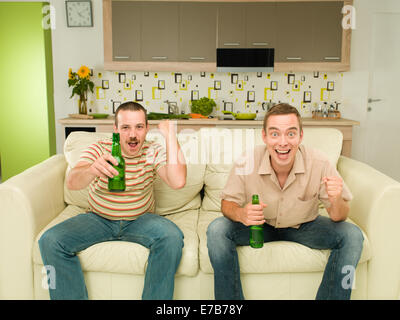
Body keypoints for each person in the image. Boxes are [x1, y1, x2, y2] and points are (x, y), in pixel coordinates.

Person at [207, 103, 364, 300]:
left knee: (352, 235)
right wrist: (241, 213)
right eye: (275, 134)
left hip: (304, 226)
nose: (283, 142)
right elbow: (227, 204)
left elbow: (339, 215)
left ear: (300, 136)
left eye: (291, 134)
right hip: (260, 227)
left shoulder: (320, 162)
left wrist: (336, 199)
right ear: (264, 136)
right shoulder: (246, 161)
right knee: (217, 230)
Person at [39, 101, 187, 300]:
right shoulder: (100, 148)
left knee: (172, 237)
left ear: (146, 129)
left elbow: (178, 181)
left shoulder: (152, 150)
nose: (133, 135)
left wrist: (170, 135)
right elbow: (72, 182)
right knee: (50, 240)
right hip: (98, 219)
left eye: (139, 127)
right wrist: (92, 169)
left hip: (141, 220)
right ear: (115, 129)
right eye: (126, 127)